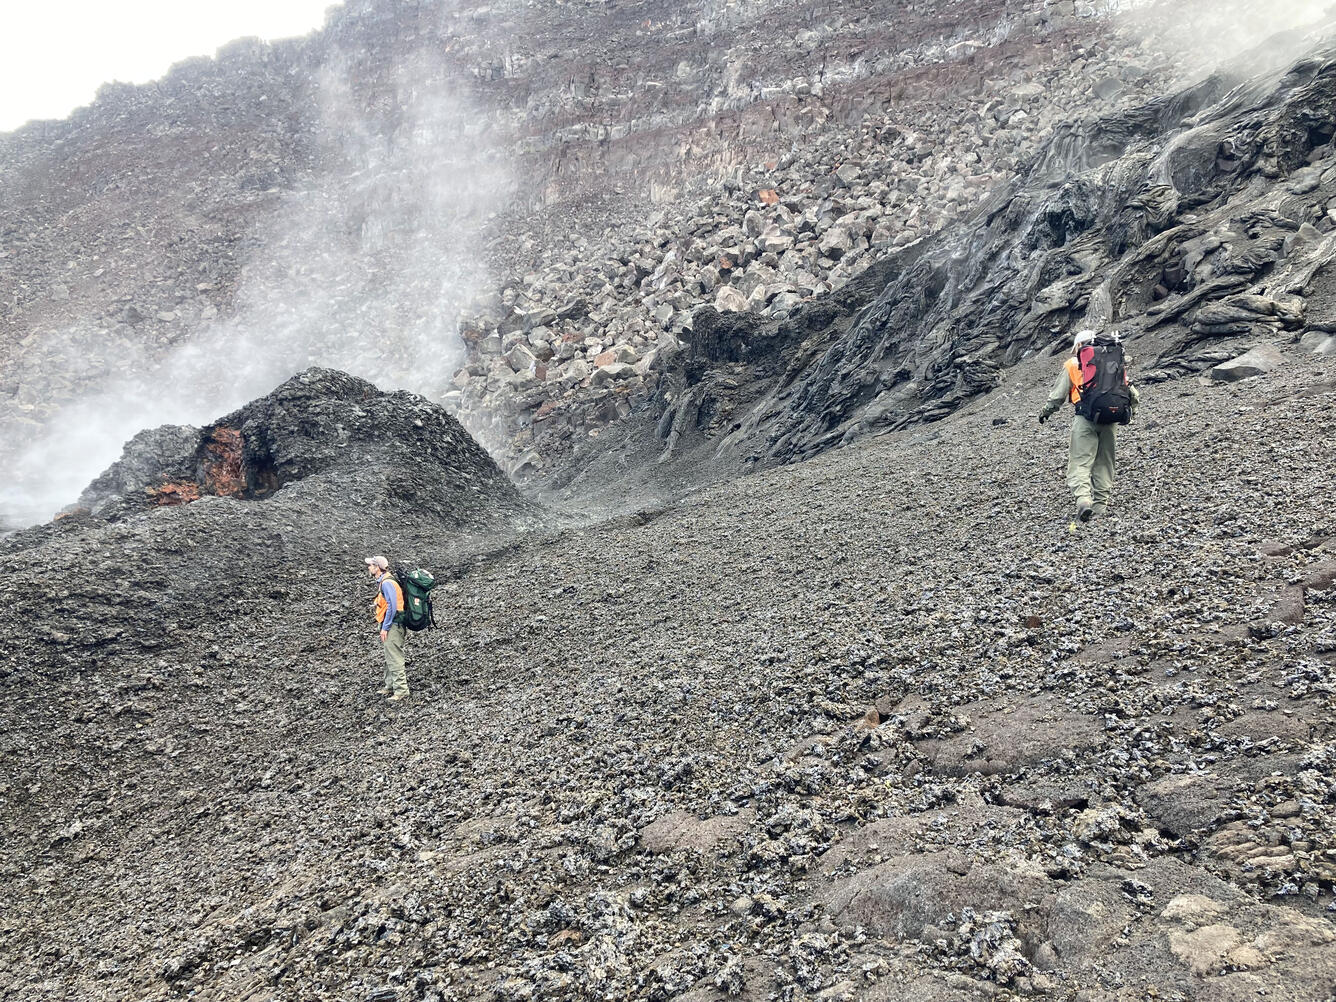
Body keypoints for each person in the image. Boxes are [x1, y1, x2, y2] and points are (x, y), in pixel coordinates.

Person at [1038, 329, 1140, 521]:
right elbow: (1132, 392)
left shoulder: (1073, 364)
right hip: (1110, 419)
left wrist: (1045, 412)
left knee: (1080, 462)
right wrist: (1131, 413)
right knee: (1105, 462)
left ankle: (1084, 500)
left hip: (1085, 418)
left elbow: (1057, 396)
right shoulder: (1113, 361)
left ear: (1078, 346)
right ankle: (1101, 507)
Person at [366, 555, 409, 701]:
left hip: (394, 625)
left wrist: (385, 627)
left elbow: (392, 606)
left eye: (371, 565)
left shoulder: (387, 583)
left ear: (377, 567)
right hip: (392, 624)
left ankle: (401, 690)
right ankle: (389, 685)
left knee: (394, 656)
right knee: (389, 655)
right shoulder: (385, 580)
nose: (369, 567)